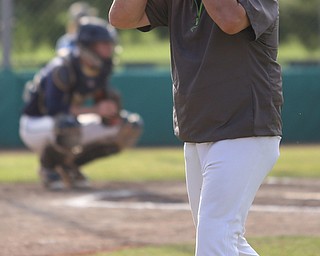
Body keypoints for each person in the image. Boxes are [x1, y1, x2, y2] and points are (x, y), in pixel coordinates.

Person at [109, 1, 282, 255]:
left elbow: (230, 19)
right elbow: (122, 16)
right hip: (198, 130)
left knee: (215, 236)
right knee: (224, 239)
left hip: (245, 127)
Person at [20, 16, 143, 190]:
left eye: (110, 44)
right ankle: (48, 168)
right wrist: (95, 109)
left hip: (68, 122)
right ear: (88, 46)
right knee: (67, 125)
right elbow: (55, 110)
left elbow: (104, 111)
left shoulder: (101, 69)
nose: (109, 49)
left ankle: (70, 165)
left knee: (128, 126)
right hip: (35, 125)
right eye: (103, 44)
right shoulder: (62, 68)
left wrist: (110, 111)